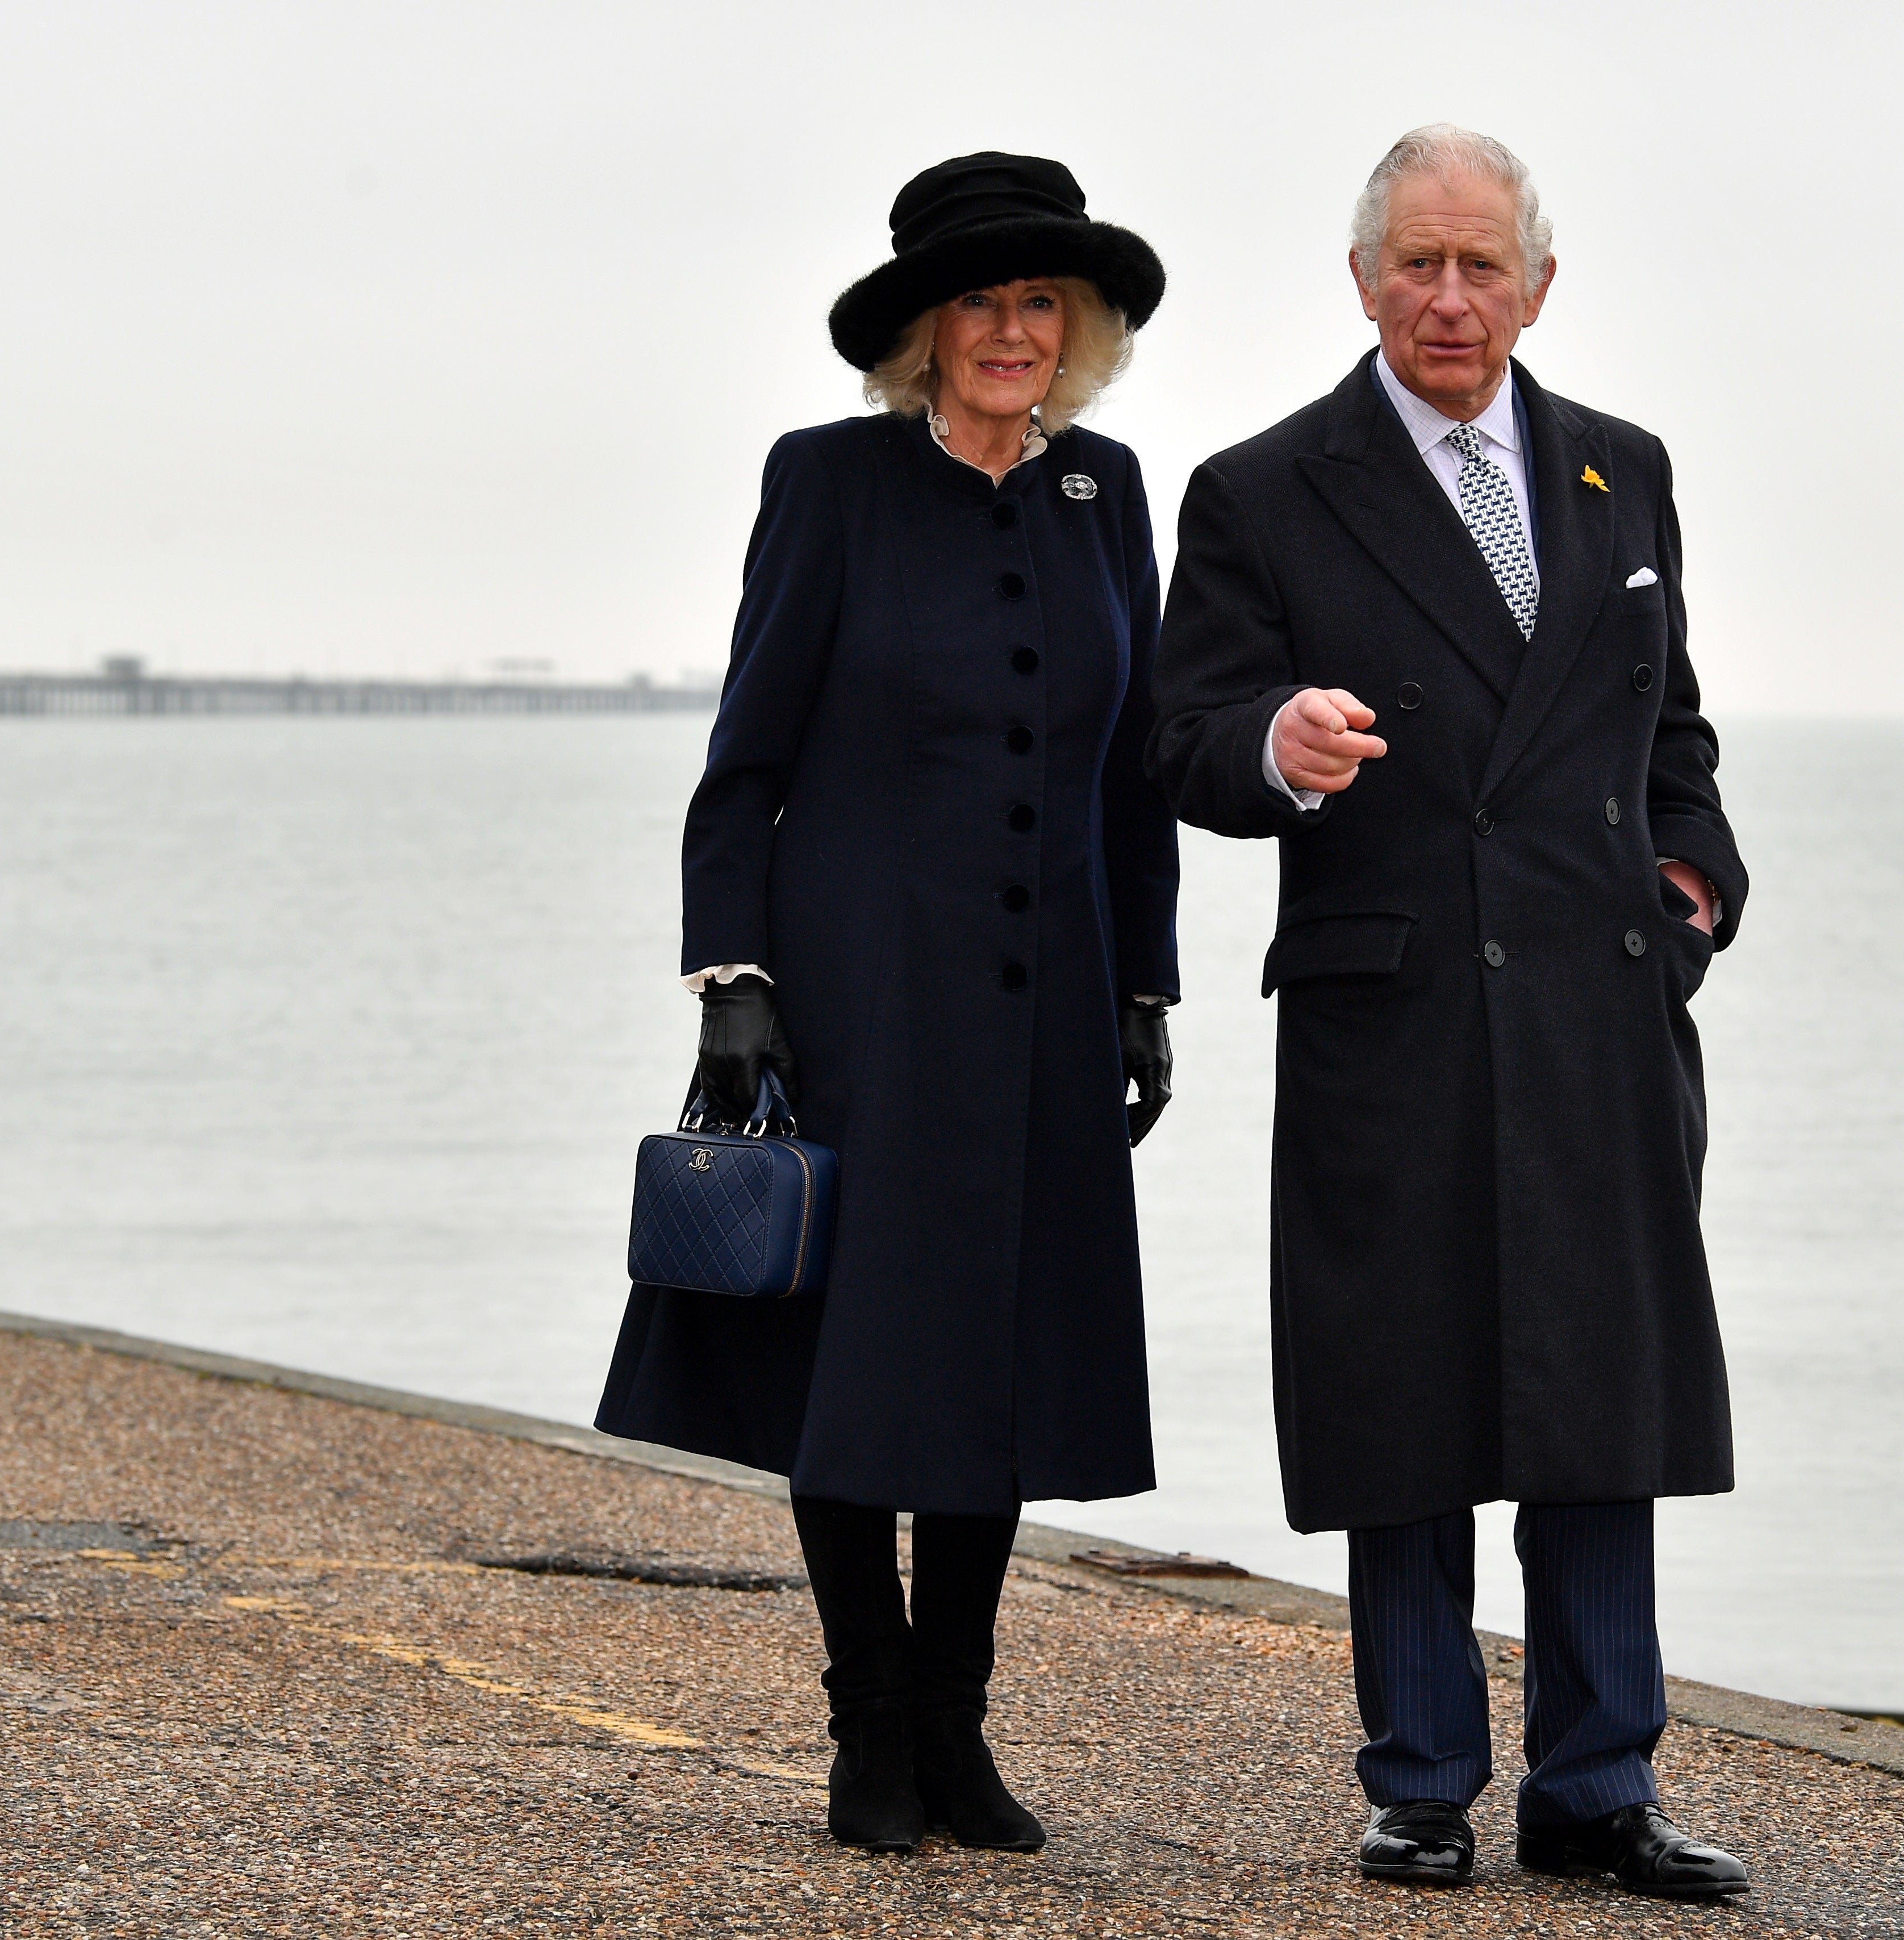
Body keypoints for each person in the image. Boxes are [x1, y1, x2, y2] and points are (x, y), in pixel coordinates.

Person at [1149, 126, 1752, 1902]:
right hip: (1392, 1012)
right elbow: (1186, 740)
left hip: (1594, 1009)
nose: (1448, 295)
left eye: (1481, 265)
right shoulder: (1264, 490)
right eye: (1415, 262)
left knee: (1596, 1404)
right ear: (1360, 281)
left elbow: (1672, 743)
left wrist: (1694, 887)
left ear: (1537, 285)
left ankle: (1599, 1783)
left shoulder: (1618, 473)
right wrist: (1278, 748)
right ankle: (1419, 1778)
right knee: (1398, 1396)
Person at [595, 152, 1180, 1857]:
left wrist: (1141, 982)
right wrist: (735, 983)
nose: (1012, 331)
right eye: (981, 303)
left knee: (992, 1371)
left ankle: (956, 1730)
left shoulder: (1106, 491)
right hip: (861, 994)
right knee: (857, 1368)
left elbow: (1133, 773)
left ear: (1072, 333)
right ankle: (868, 1734)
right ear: (921, 332)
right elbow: (744, 765)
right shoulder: (831, 482)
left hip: (1049, 1001)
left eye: (1039, 304)